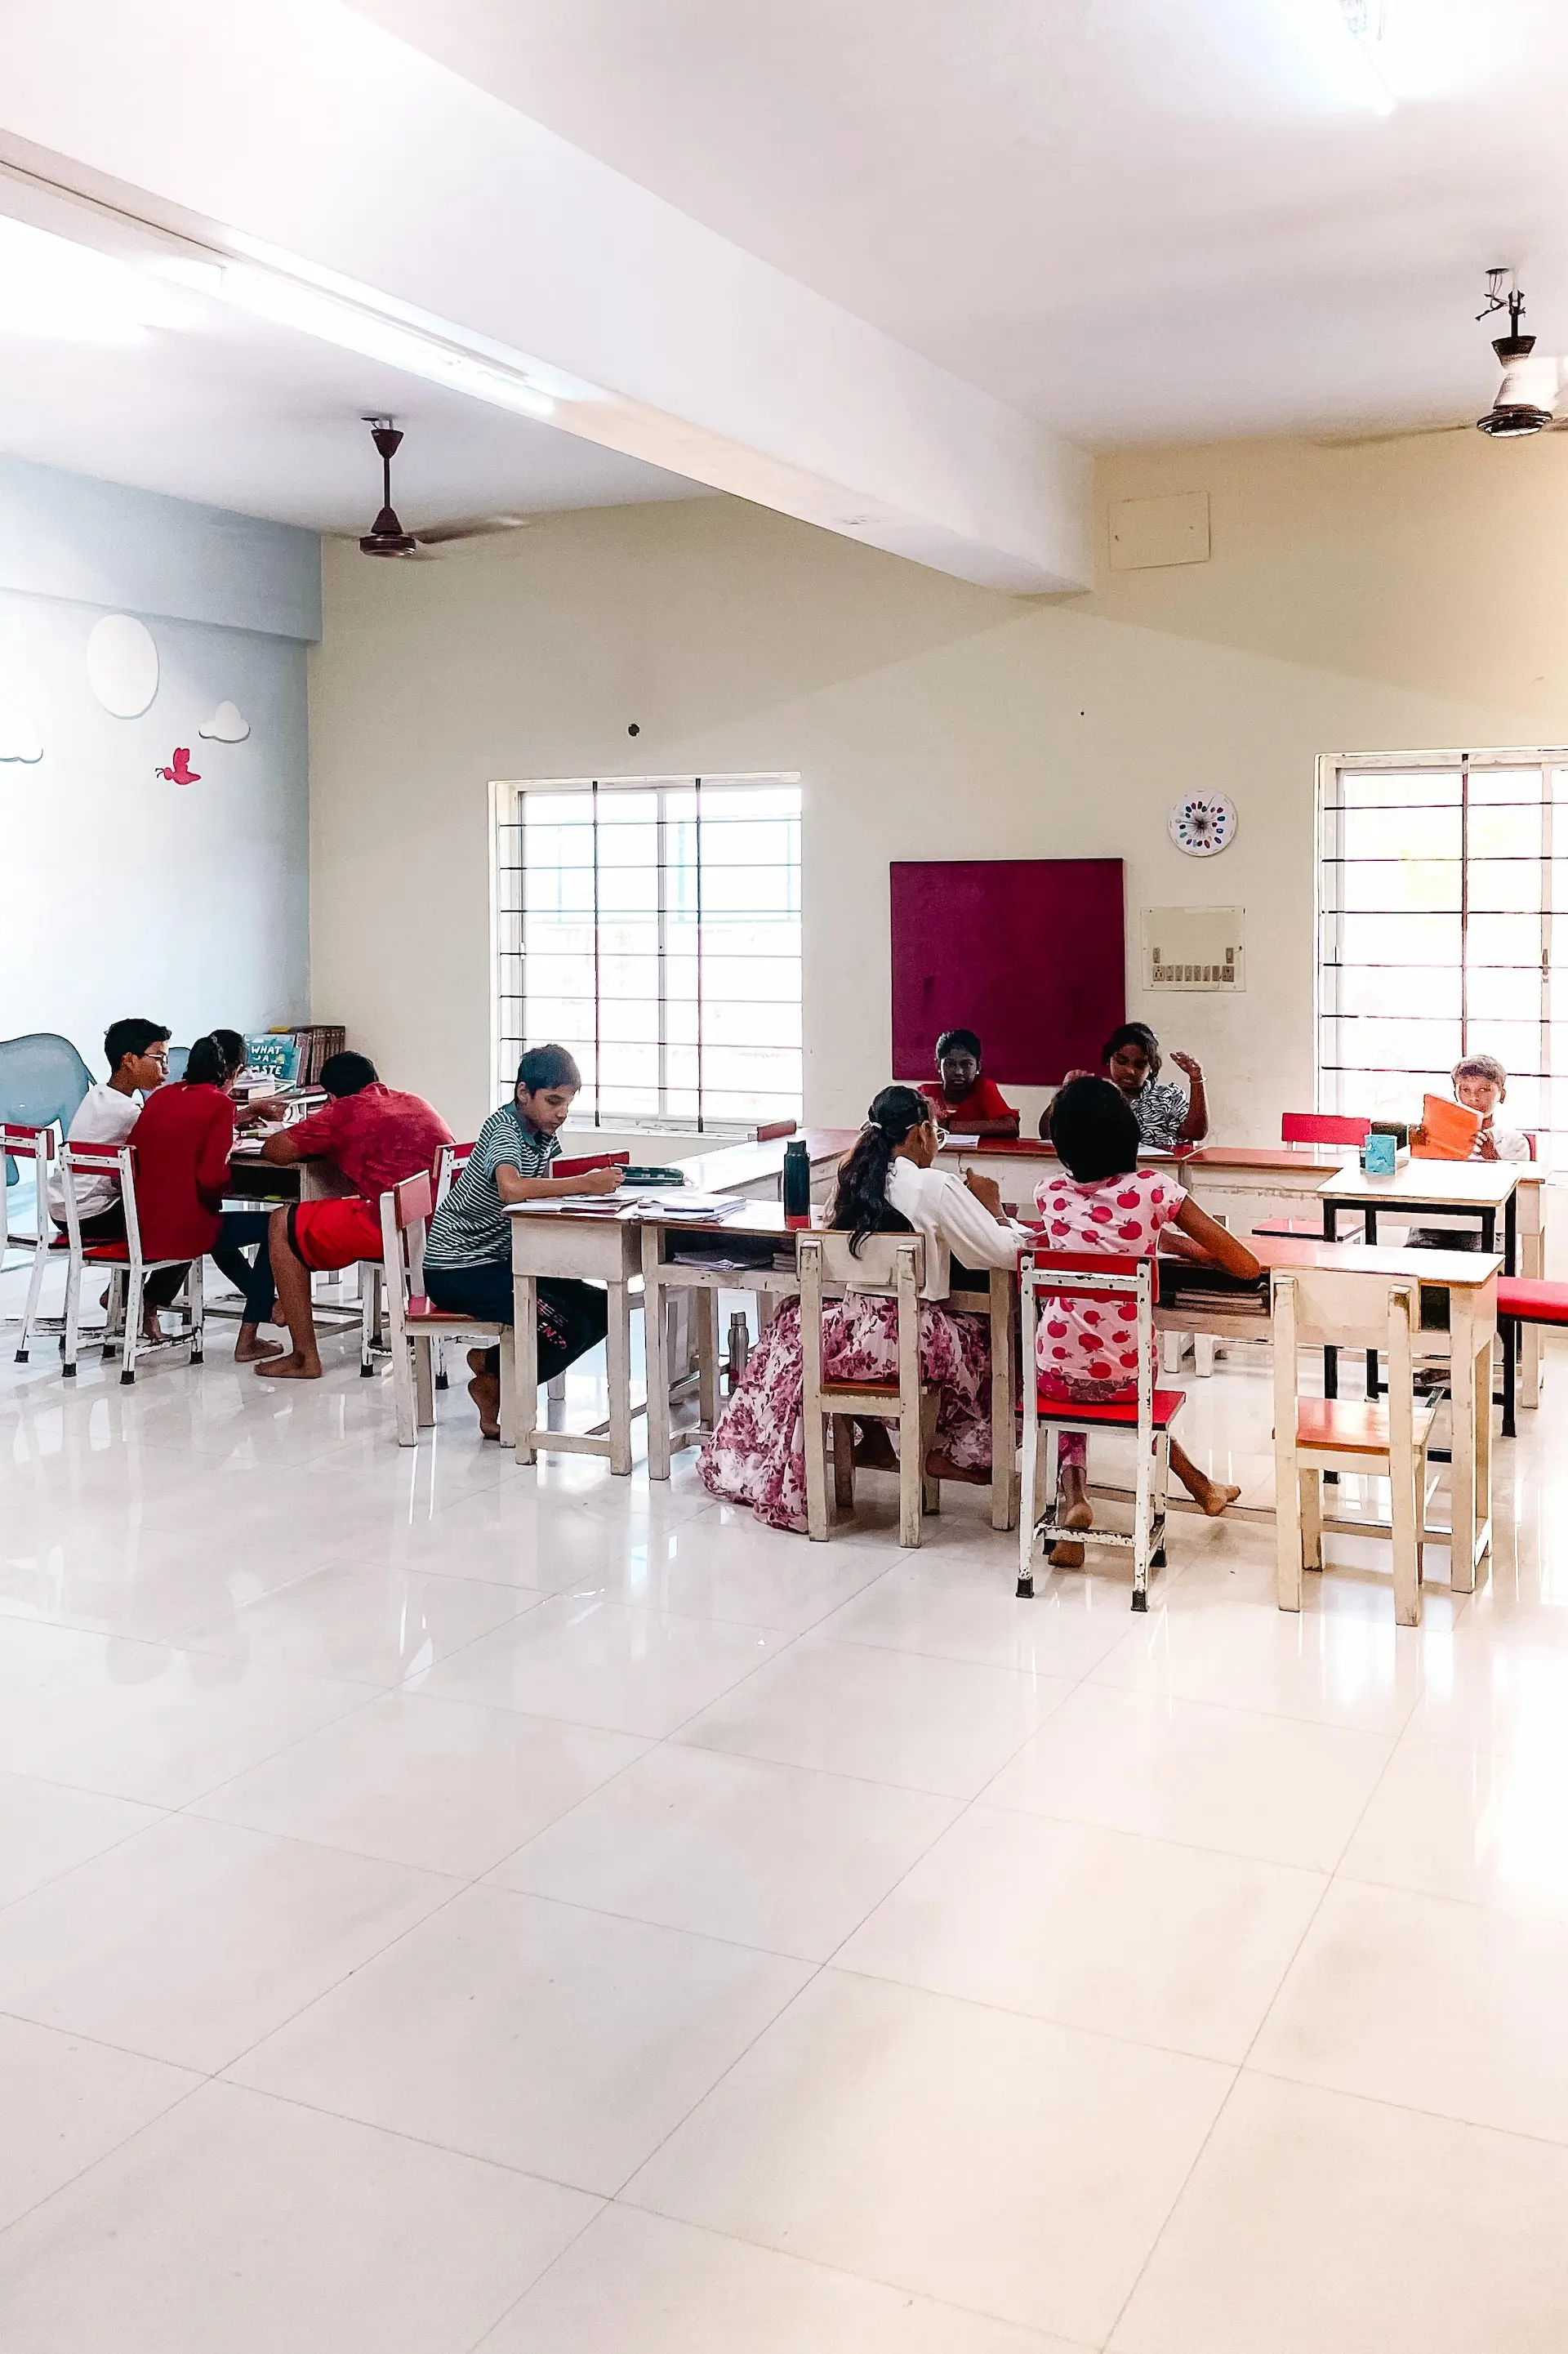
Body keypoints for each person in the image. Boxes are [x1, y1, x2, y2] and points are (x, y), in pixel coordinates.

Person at [700, 1084, 1031, 1531]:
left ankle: (872, 1438)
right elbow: (999, 1254)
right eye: (936, 1135)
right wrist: (996, 1212)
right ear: (920, 1134)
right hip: (908, 1345)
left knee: (794, 1323)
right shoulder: (933, 1185)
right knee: (992, 1332)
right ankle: (959, 1452)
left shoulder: (850, 1179)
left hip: (850, 1341)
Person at [1034, 1075, 1254, 1565]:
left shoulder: (1049, 1194)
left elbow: (1106, 1232)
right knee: (1135, 1397)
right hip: (1126, 1380)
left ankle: (1075, 1502)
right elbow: (1245, 1265)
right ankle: (1200, 1485)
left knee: (1074, 1381)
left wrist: (1169, 1243)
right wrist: (1201, 1250)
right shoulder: (1157, 1189)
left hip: (1053, 1374)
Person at [421, 1045, 619, 1437]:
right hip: (459, 1268)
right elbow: (512, 1189)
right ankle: (493, 1386)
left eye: (568, 1102)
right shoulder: (505, 1130)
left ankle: (491, 1364)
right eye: (553, 1101)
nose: (562, 1112)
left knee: (604, 1307)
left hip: (505, 1260)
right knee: (569, 1327)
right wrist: (586, 1183)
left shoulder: (540, 1131)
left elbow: (544, 1187)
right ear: (523, 1093)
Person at [254, 1050, 453, 1381]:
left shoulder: (342, 1111)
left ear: (330, 1097)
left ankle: (305, 1357)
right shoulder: (413, 1101)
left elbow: (275, 1150)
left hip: (398, 1226)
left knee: (281, 1222)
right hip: (443, 1225)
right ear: (374, 1079)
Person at [45, 1018, 172, 1341]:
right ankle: (148, 1302)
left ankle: (126, 1296)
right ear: (129, 1060)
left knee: (147, 1213)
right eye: (158, 1058)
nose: (165, 1068)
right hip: (91, 1215)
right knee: (186, 1225)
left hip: (66, 1210)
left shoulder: (100, 1096)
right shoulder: (127, 1112)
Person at [127, 1033, 248, 1335]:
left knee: (208, 1226)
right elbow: (211, 1179)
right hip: (183, 1229)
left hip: (138, 1219)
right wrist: (229, 1160)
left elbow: (132, 1151)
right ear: (232, 1072)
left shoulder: (161, 1097)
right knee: (275, 1226)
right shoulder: (220, 1105)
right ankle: (265, 1309)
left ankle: (145, 1304)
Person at [1406, 1054, 1533, 1251]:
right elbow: (1420, 1182)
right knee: (1415, 1255)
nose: (1474, 1098)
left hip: (1488, 1225)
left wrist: (1493, 1158)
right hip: (1437, 1220)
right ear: (1456, 1094)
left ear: (1502, 1094)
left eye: (1484, 1090)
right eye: (1465, 1090)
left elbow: (1518, 1195)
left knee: (1478, 1257)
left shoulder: (1514, 1141)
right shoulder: (1438, 1133)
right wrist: (1419, 1147)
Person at [1043, 1022, 1208, 1152]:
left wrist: (1196, 1080)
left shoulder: (1168, 1096)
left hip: (1159, 1178)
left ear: (1152, 1068)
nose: (1130, 1070)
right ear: (1109, 1060)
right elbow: (1047, 1134)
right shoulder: (1093, 1095)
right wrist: (1066, 1094)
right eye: (1121, 1061)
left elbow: (1195, 1133)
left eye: (1140, 1064)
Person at [919, 1028, 1020, 1139]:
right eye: (951, 1064)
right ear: (938, 1065)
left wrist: (948, 1126)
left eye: (966, 1064)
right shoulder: (926, 1094)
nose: (958, 1072)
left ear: (978, 1066)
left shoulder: (983, 1088)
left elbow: (1010, 1126)